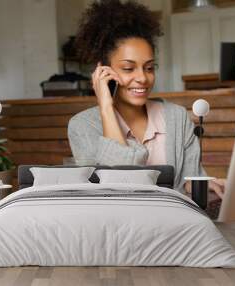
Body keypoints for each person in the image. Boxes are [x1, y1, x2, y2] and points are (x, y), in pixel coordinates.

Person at [67, 0, 224, 197]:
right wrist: (106, 108)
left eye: (149, 68)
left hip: (174, 220)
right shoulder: (82, 126)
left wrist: (204, 186)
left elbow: (190, 180)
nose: (142, 78)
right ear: (103, 71)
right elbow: (119, 187)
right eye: (128, 68)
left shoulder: (176, 117)